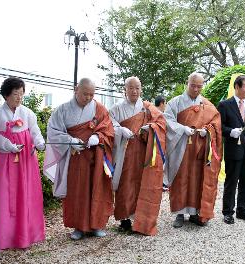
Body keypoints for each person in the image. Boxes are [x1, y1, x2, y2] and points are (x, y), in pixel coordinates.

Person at [44, 78, 114, 240]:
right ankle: (78, 227)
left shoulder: (99, 108)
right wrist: (70, 141)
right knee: (77, 192)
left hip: (96, 157)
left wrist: (98, 136)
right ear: (76, 89)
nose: (88, 97)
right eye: (85, 94)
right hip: (74, 158)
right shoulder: (63, 110)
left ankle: (97, 225)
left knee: (97, 189)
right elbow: (53, 131)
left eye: (91, 94)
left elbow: (108, 129)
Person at [0, 77, 45, 250]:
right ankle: (2, 238)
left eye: (21, 93)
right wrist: (9, 145)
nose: (19, 97)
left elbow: (35, 131)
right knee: (2, 195)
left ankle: (25, 236)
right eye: (15, 93)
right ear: (6, 95)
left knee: (26, 193)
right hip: (3, 159)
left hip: (25, 159)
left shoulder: (28, 113)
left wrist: (39, 143)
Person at [164, 72, 222, 228]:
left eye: (199, 86)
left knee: (197, 178)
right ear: (187, 84)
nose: (196, 89)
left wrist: (208, 131)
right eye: (193, 85)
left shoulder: (207, 105)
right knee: (180, 178)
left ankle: (195, 212)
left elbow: (216, 123)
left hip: (200, 148)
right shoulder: (175, 103)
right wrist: (182, 128)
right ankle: (179, 213)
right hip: (180, 146)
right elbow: (167, 120)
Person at [110, 76, 166, 236]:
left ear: (141, 89)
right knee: (125, 183)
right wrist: (120, 130)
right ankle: (124, 218)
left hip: (144, 150)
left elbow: (161, 123)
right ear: (125, 90)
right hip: (124, 150)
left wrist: (151, 128)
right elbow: (109, 124)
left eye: (137, 88)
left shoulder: (148, 108)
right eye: (131, 88)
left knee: (143, 182)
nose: (134, 91)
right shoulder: (116, 108)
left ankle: (142, 218)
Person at [217, 75, 245, 224]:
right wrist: (230, 132)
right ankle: (228, 212)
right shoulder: (224, 105)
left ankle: (243, 210)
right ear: (237, 87)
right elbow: (219, 127)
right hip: (233, 149)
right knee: (231, 181)